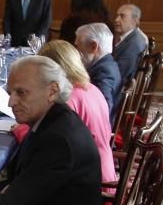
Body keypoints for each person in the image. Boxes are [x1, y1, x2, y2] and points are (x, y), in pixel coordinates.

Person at [0, 56, 110, 205]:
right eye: (10, 93)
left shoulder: (59, 140)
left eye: (21, 93)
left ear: (52, 91)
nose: (10, 102)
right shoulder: (53, 120)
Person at [38, 40, 118, 185]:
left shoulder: (67, 99)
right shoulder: (91, 88)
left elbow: (51, 142)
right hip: (104, 171)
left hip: (90, 183)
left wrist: (21, 130)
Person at [75, 22, 123, 123]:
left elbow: (103, 109)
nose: (76, 52)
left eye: (78, 47)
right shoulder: (107, 63)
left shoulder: (104, 71)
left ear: (93, 47)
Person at [112, 3, 149, 84]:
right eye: (117, 16)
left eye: (122, 16)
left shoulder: (134, 43)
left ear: (135, 20)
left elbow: (120, 74)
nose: (116, 20)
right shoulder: (130, 37)